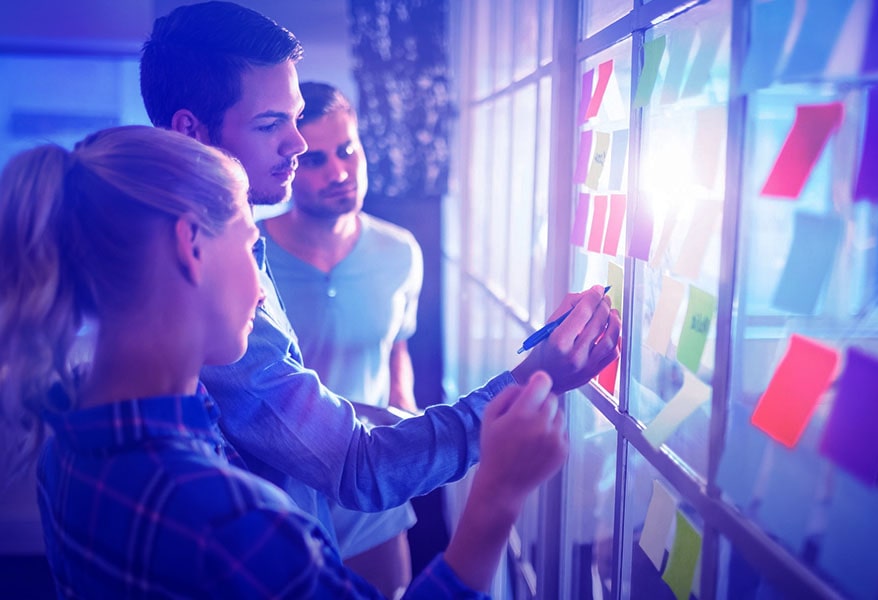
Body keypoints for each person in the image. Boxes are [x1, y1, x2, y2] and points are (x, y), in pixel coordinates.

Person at [139, 0, 620, 572]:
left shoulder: (357, 249)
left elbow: (310, 400)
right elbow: (356, 465)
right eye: (271, 125)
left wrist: (399, 415)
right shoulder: (198, 276)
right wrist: (534, 380)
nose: (298, 145)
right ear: (190, 131)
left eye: (297, 119)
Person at [0, 124, 573, 596]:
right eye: (252, 247)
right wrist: (496, 498)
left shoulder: (65, 436)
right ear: (190, 246)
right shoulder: (234, 525)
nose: (260, 289)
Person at [260, 81, 420, 596]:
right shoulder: (249, 255)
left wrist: (405, 410)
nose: (339, 172)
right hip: (281, 496)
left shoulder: (401, 252)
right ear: (289, 165)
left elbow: (396, 346)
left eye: (348, 150)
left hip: (373, 485)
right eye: (316, 160)